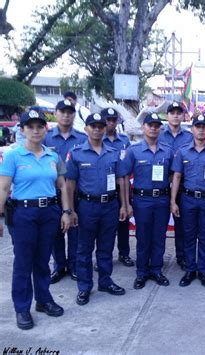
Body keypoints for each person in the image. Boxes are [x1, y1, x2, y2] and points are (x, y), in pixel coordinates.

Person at [0, 109, 71, 330]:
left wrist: (67, 212)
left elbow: (63, 186)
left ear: (45, 129)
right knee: (23, 262)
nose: (35, 130)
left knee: (42, 260)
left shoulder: (53, 156)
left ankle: (43, 300)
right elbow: (3, 188)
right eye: (30, 126)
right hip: (23, 214)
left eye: (40, 126)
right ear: (22, 130)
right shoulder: (13, 156)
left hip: (49, 212)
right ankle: (22, 308)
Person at [65, 113, 128, 306]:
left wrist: (124, 205)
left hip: (110, 205)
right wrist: (70, 210)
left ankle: (105, 281)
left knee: (106, 247)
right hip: (87, 207)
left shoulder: (113, 153)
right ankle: (84, 287)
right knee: (84, 249)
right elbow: (70, 184)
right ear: (86, 129)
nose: (98, 129)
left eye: (101, 126)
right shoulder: (76, 153)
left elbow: (121, 180)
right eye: (93, 126)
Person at [170, 114, 205, 288]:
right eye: (197, 126)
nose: (201, 130)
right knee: (188, 235)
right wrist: (173, 201)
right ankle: (190, 269)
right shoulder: (183, 151)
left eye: (204, 127)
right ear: (192, 129)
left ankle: (202, 270)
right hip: (187, 199)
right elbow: (177, 176)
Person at [122, 113, 173, 289]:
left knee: (159, 236)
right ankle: (142, 272)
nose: (153, 128)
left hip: (162, 200)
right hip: (142, 200)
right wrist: (126, 203)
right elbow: (124, 177)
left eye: (156, 125)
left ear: (160, 128)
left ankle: (156, 270)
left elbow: (174, 176)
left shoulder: (167, 151)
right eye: (149, 125)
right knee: (143, 237)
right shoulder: (133, 151)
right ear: (143, 127)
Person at [44, 99, 87, 284]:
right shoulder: (45, 138)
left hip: (76, 192)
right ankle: (59, 266)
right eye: (63, 111)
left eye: (70, 112)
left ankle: (74, 266)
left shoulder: (82, 138)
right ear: (56, 113)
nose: (66, 115)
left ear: (74, 115)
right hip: (53, 193)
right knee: (56, 231)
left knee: (76, 231)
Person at [158, 102, 193, 270]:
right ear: (167, 115)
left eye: (179, 112)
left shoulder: (189, 137)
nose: (176, 115)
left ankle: (182, 256)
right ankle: (157, 259)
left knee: (182, 224)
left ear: (183, 115)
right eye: (172, 112)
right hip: (162, 184)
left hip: (182, 185)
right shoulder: (158, 133)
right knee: (160, 225)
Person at [101, 107, 134, 267]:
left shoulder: (124, 141)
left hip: (122, 185)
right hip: (103, 188)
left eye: (114, 120)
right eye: (108, 120)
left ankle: (124, 253)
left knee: (123, 223)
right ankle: (104, 256)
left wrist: (127, 201)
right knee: (104, 227)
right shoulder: (97, 139)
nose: (111, 123)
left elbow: (126, 167)